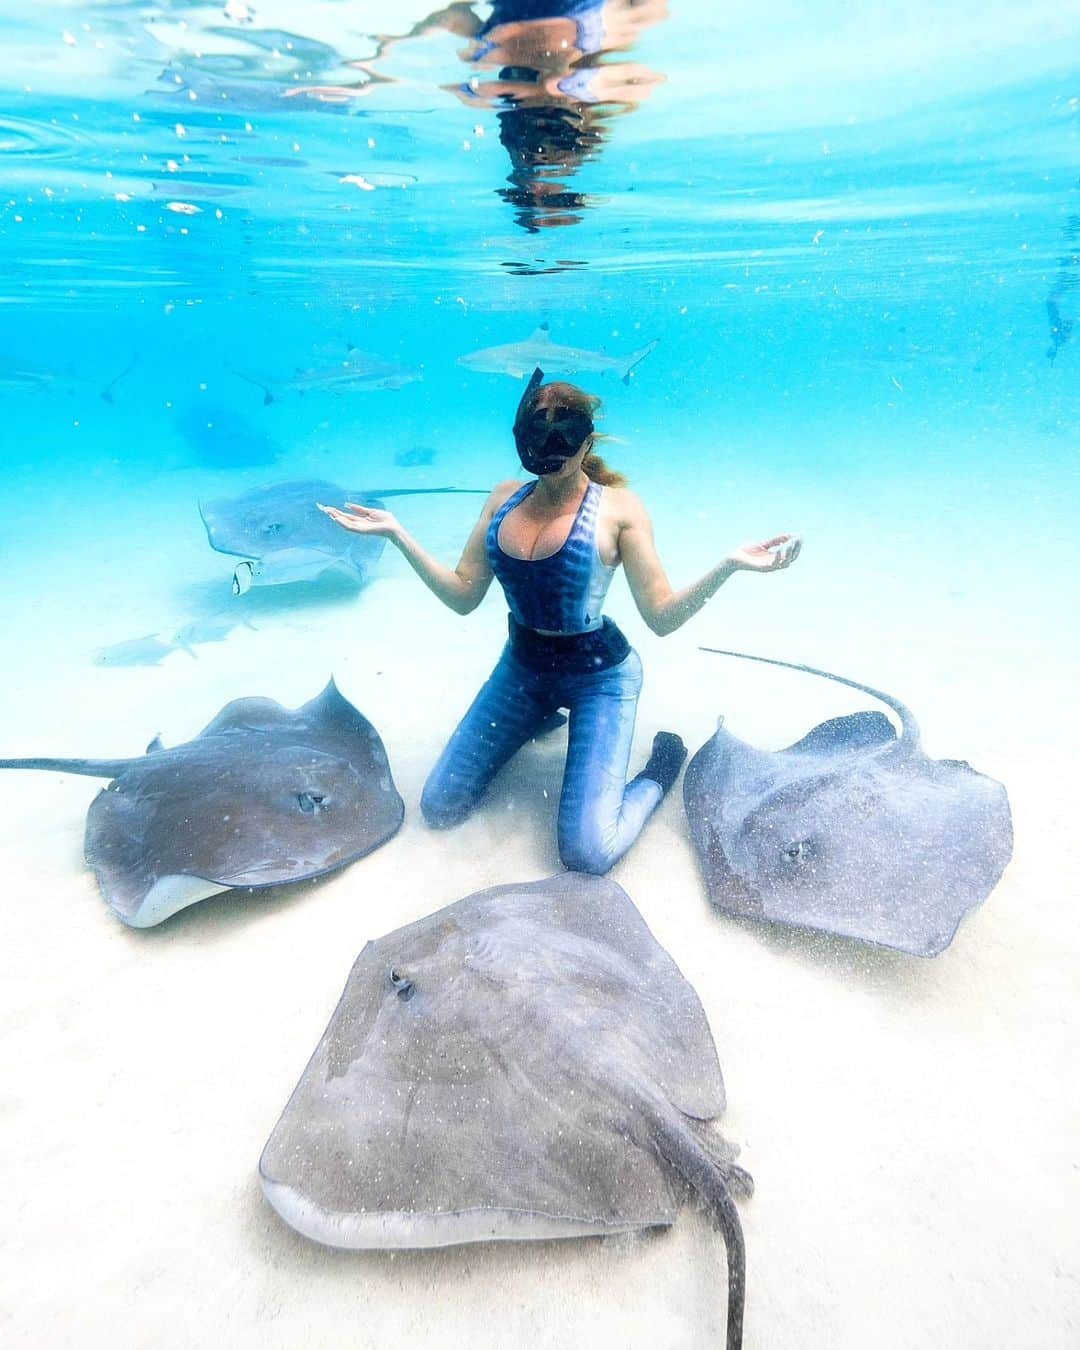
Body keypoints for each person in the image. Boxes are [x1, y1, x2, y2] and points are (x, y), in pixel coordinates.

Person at [319, 369, 801, 874]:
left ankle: (659, 771)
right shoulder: (503, 498)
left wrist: (728, 565)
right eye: (535, 440)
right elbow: (463, 596)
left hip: (600, 678)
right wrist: (399, 534)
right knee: (440, 809)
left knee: (587, 854)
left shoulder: (619, 510)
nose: (548, 456)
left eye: (562, 442)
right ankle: (534, 718)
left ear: (586, 441)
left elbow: (661, 618)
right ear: (520, 440)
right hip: (522, 670)